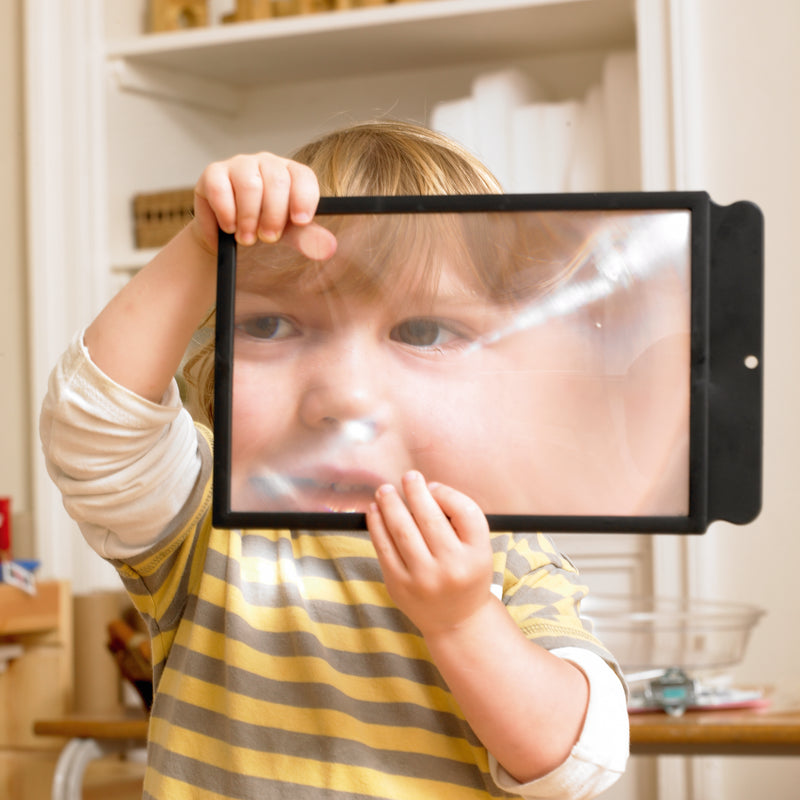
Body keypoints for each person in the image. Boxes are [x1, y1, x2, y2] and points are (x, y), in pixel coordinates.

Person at [41, 120, 629, 800]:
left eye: (422, 331)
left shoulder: (505, 555)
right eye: (270, 324)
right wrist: (205, 248)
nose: (343, 396)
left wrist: (463, 622)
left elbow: (580, 760)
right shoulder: (207, 519)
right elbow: (94, 424)